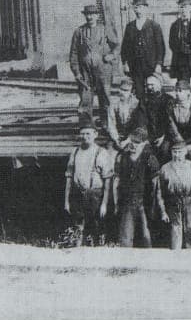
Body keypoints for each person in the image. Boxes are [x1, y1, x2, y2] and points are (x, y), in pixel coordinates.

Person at [63, 117, 115, 246]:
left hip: (95, 196)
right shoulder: (75, 152)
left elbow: (108, 181)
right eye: (83, 133)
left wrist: (104, 204)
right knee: (78, 227)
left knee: (95, 229)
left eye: (88, 133)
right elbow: (69, 178)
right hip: (77, 195)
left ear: (95, 134)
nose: (85, 136)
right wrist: (66, 201)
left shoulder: (101, 153)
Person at [155, 140, 191, 250]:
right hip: (173, 203)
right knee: (175, 231)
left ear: (185, 152)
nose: (177, 155)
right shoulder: (165, 169)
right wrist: (163, 212)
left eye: (179, 151)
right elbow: (159, 192)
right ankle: (175, 260)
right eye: (174, 152)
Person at [69, 3, 120, 118]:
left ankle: (107, 126)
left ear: (97, 15)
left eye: (92, 14)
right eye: (87, 14)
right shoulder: (79, 32)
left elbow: (117, 46)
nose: (90, 17)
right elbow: (74, 54)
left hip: (103, 71)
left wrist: (111, 55)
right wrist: (76, 72)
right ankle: (87, 127)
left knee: (105, 100)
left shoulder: (105, 30)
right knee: (85, 100)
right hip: (85, 72)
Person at [113, 126, 159, 248]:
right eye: (132, 142)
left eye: (137, 143)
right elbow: (116, 181)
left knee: (146, 235)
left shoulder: (150, 158)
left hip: (145, 201)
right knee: (126, 235)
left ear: (144, 143)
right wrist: (116, 202)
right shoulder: (122, 157)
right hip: (128, 200)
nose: (133, 145)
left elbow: (156, 184)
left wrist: (154, 203)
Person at [120, 0, 165, 101]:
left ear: (145, 8)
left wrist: (159, 64)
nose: (138, 10)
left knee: (153, 91)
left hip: (151, 65)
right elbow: (125, 47)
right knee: (139, 92)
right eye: (136, 7)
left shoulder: (154, 26)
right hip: (135, 66)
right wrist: (125, 63)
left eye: (140, 7)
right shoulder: (130, 27)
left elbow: (161, 47)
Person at [161, 80, 191, 175]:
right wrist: (181, 142)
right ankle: (167, 175)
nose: (177, 93)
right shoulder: (171, 104)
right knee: (164, 148)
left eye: (180, 91)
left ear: (188, 92)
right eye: (176, 91)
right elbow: (171, 125)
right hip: (178, 135)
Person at [135, 74, 169, 152]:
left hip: (165, 136)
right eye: (148, 85)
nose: (150, 87)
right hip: (149, 136)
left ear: (159, 85)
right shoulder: (144, 101)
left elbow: (170, 123)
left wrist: (163, 137)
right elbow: (141, 121)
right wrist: (146, 138)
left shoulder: (168, 100)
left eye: (152, 85)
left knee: (165, 149)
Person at [106, 78, 139, 151]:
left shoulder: (136, 104)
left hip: (132, 136)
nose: (122, 92)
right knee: (110, 153)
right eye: (121, 89)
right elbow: (111, 123)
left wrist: (129, 139)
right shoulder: (113, 102)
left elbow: (138, 125)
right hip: (117, 136)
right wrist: (116, 139)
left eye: (125, 90)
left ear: (132, 92)